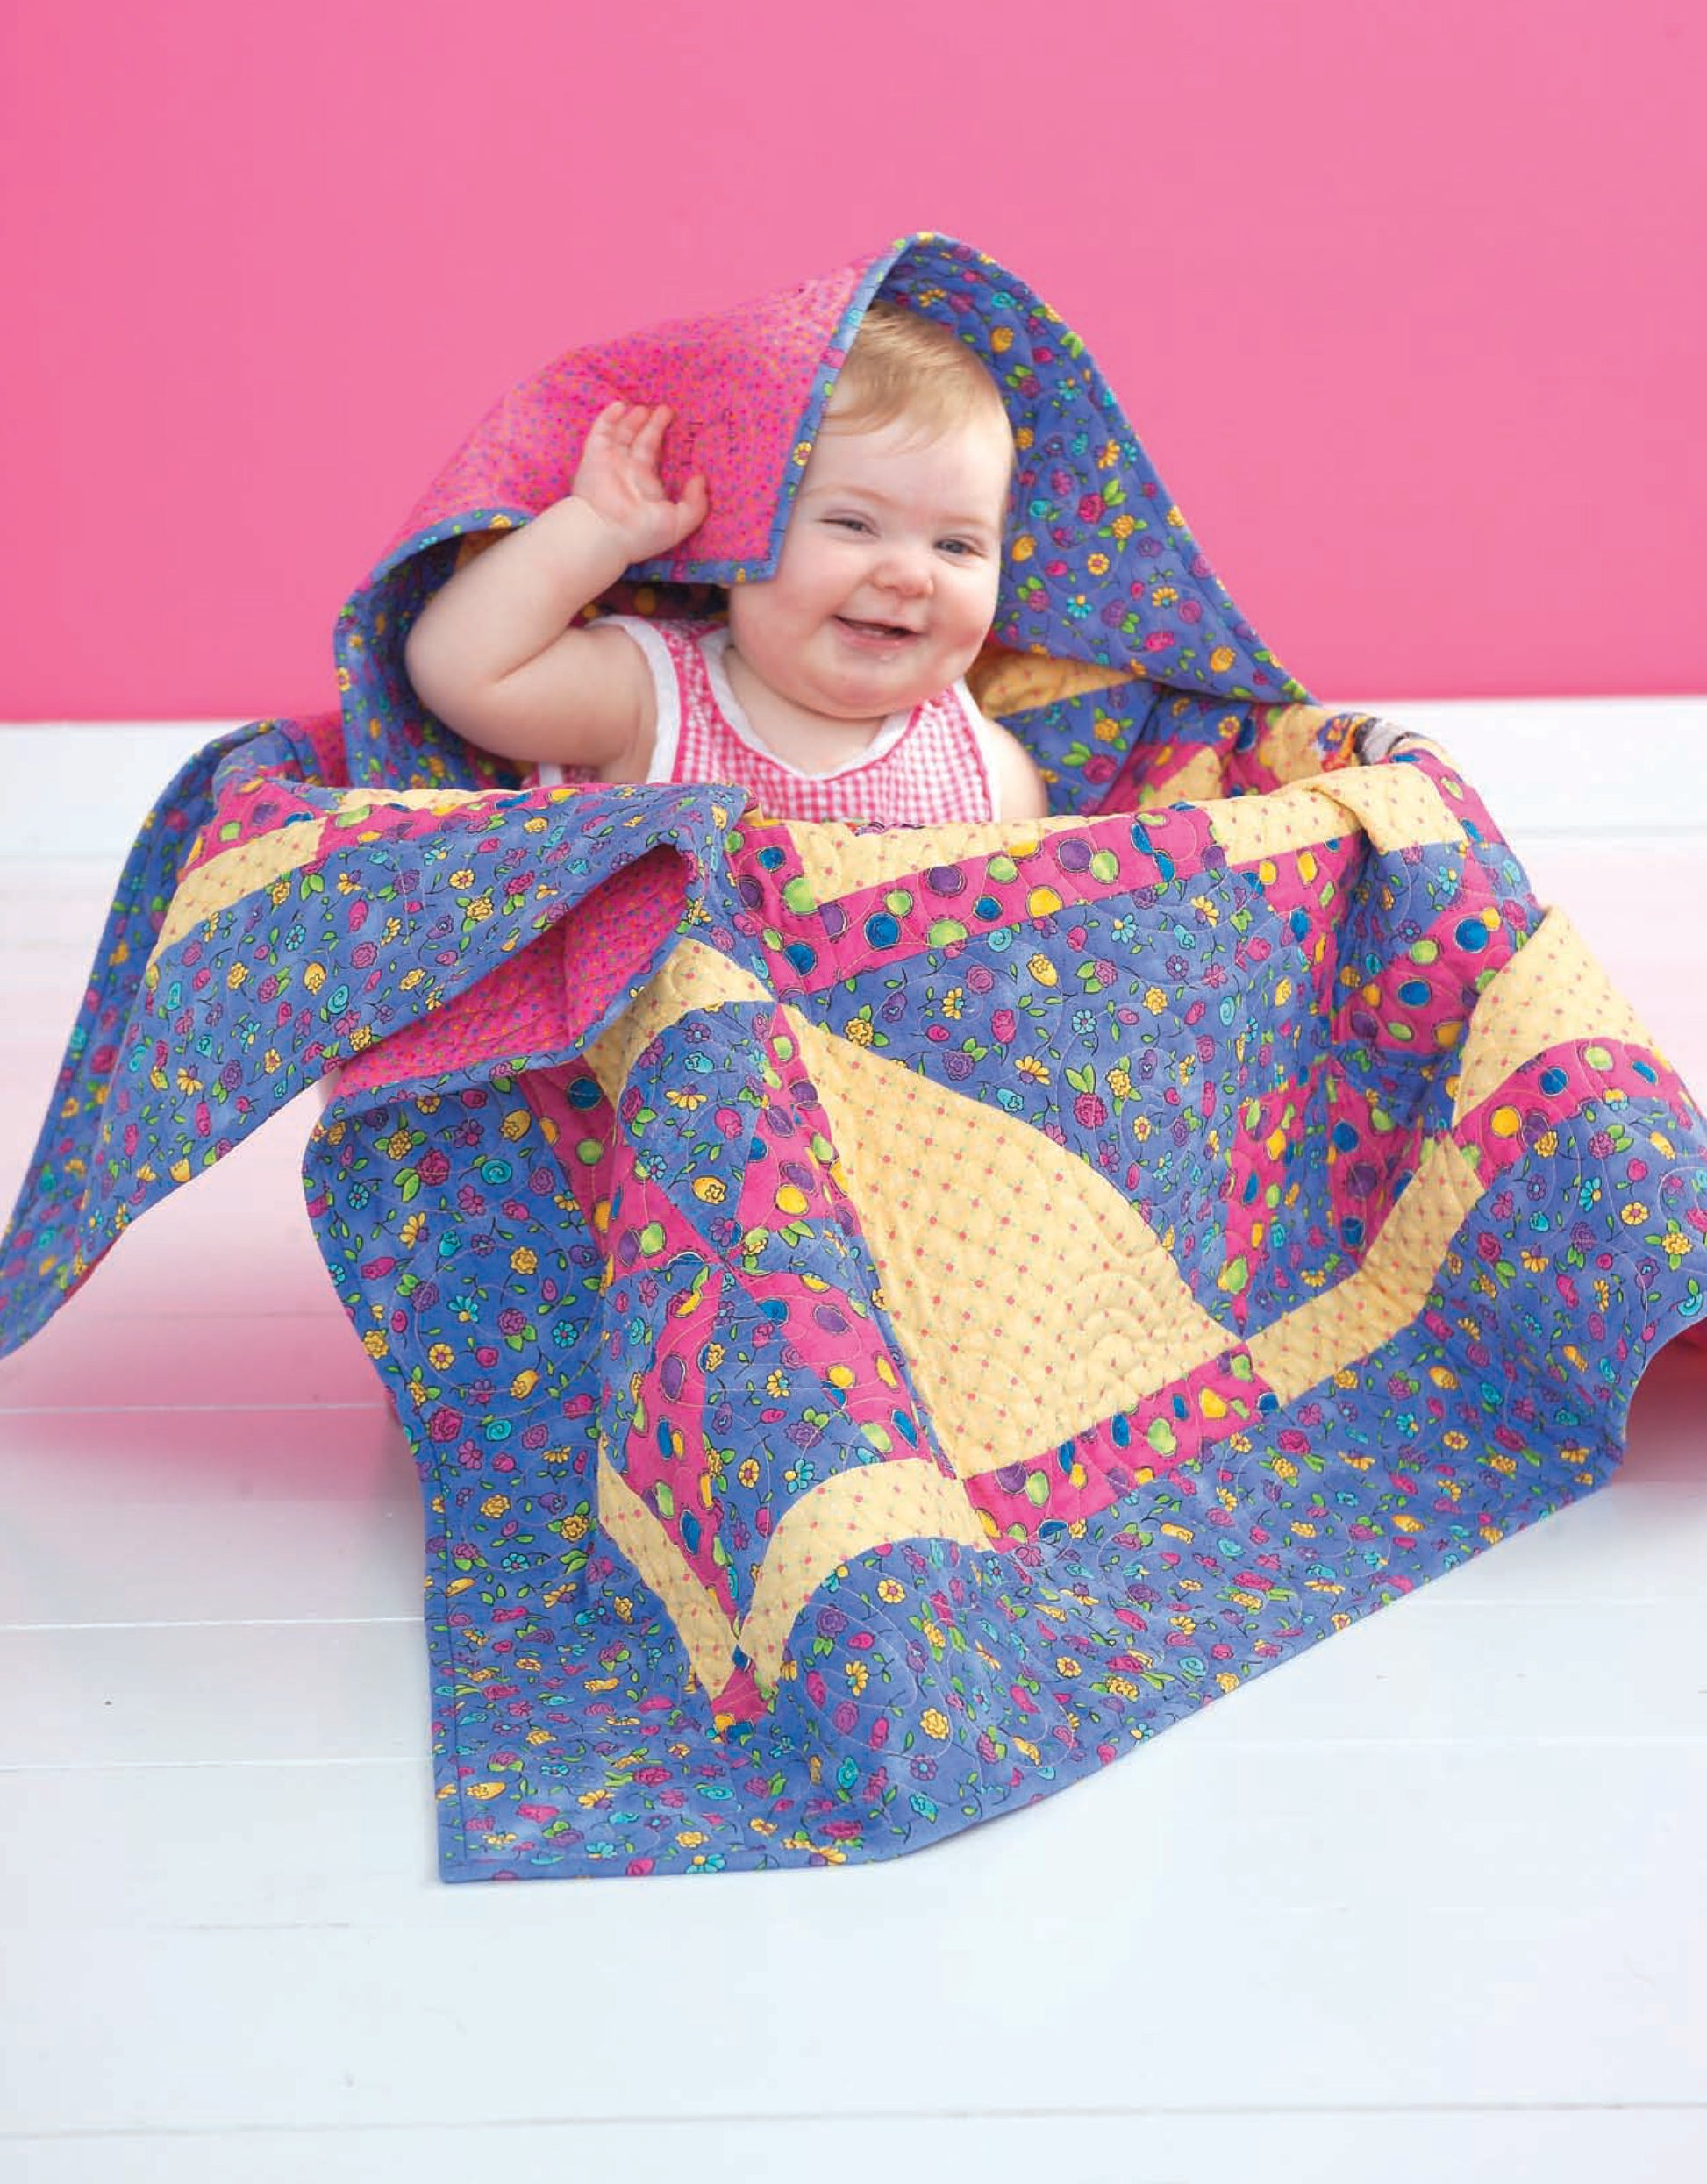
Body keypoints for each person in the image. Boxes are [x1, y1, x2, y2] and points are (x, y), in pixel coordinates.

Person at [404, 304, 1048, 824]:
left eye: (956, 546)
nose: (908, 576)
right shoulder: (650, 700)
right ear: (744, 533)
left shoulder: (993, 779)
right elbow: (459, 670)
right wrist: (597, 531)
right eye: (853, 525)